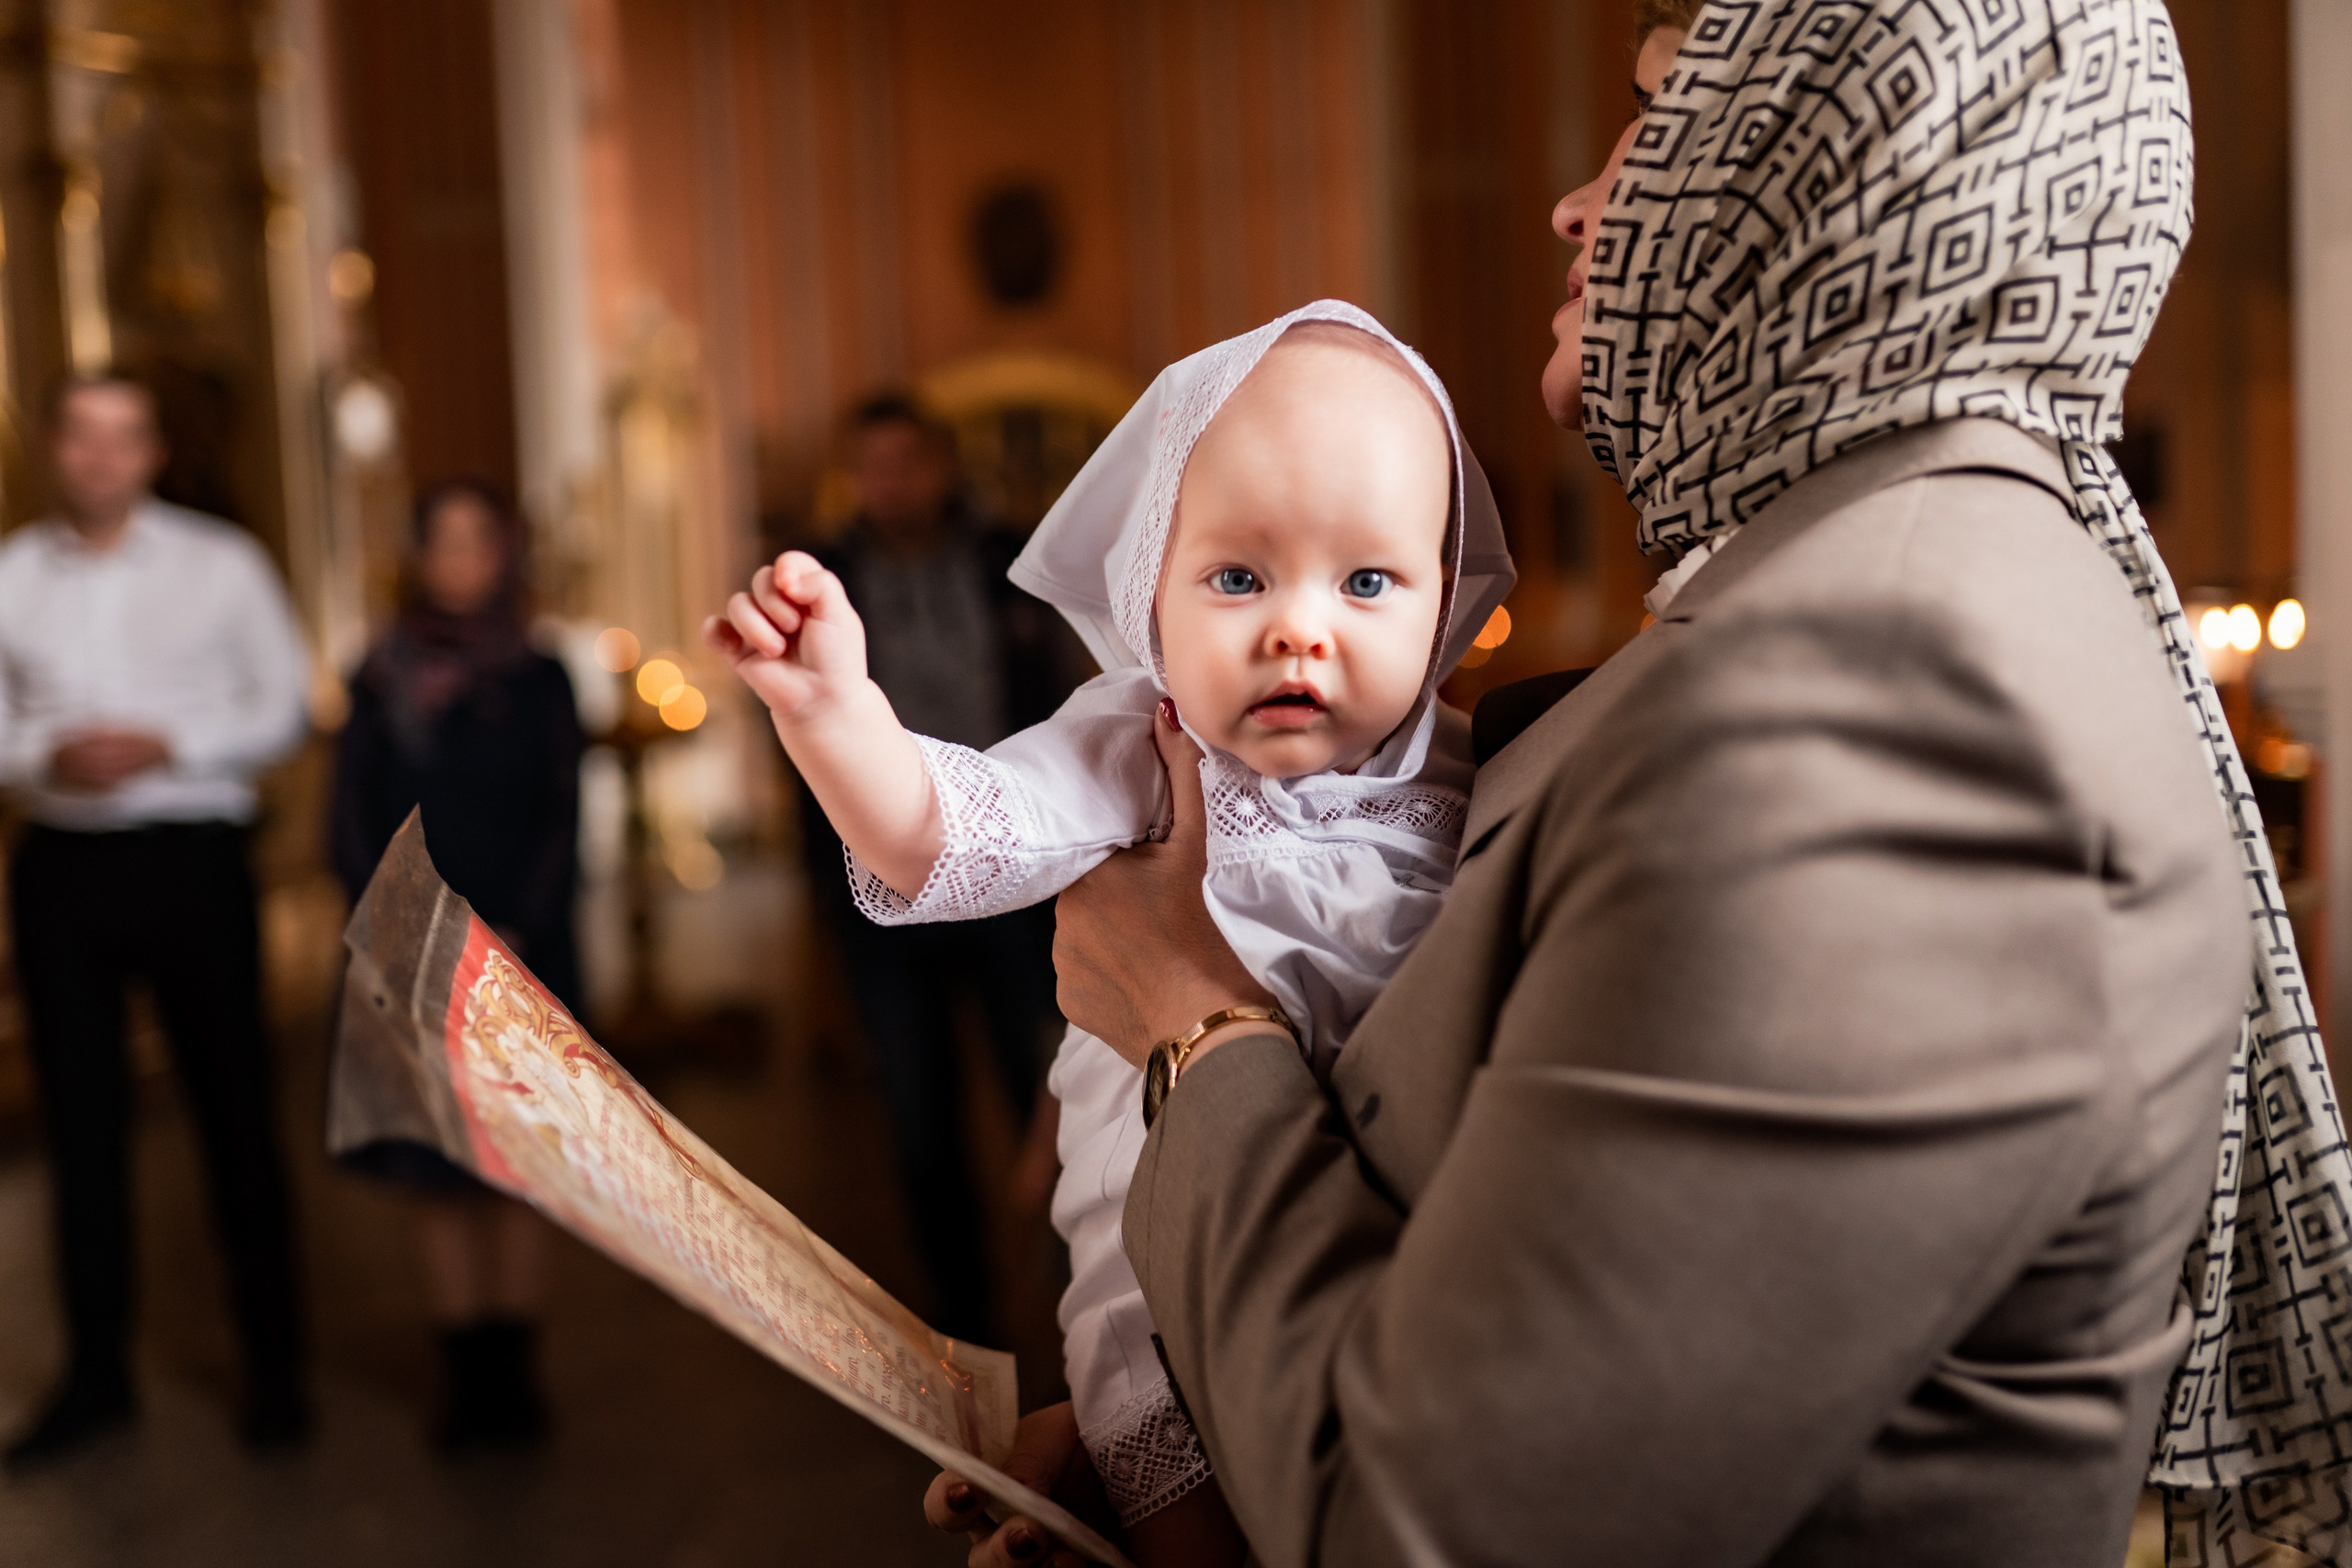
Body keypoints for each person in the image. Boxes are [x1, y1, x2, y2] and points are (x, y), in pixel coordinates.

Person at [925, 1, 2343, 1563]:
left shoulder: (1898, 696)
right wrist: (1185, 1436)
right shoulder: (1867, 597)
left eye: (1661, 116)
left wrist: (1197, 1021)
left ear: (1832, 168)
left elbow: (1442, 1519)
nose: (1578, 202)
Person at [712, 304, 1513, 1564]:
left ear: (1443, 594)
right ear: (1153, 584)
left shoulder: (1478, 777)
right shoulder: (1143, 745)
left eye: (1366, 580)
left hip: (1383, 1267)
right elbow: (946, 832)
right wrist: (834, 715)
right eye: (1238, 576)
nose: (1299, 627)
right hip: (1166, 1278)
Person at [0, 372, 312, 1469]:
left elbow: (285, 702)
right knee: (82, 1130)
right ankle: (96, 1379)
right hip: (62, 868)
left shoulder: (221, 564)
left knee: (235, 1116)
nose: (99, 457)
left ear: (150, 452)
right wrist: (45, 755)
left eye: (121, 437)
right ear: (53, 448)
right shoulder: (10, 574)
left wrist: (169, 744)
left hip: (191, 859)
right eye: (79, 435)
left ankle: (277, 1371)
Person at [786, 395, 1076, 1348]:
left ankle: (1083, 1289)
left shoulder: (1012, 563)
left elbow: (1066, 701)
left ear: (942, 465)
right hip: (882, 876)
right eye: (872, 465)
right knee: (915, 1103)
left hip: (1014, 865)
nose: (891, 482)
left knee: (1048, 1086)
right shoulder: (828, 576)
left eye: (907, 461)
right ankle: (960, 1315)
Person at [331, 478, 580, 1452]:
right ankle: (463, 1370)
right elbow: (350, 814)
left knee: (520, 1160)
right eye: (445, 540)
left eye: (481, 540)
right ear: (419, 555)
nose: (463, 559)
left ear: (505, 555)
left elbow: (563, 811)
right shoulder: (379, 672)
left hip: (523, 946)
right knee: (433, 1163)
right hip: (409, 944)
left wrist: (519, 926)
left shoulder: (540, 673)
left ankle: (517, 1371)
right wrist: (402, 927)